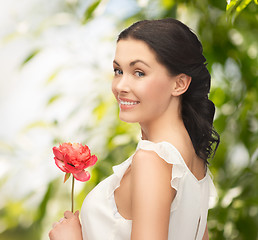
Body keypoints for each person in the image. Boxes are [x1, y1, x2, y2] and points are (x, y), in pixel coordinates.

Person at [49, 18, 220, 240]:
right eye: (118, 70)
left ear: (179, 84)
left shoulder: (154, 160)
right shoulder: (194, 159)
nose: (120, 86)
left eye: (139, 72)